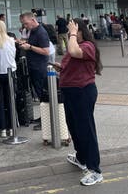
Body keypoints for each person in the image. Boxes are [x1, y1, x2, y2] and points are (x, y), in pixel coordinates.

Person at [52, 18, 103, 186]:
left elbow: (73, 51)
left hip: (82, 92)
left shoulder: (88, 46)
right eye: (69, 32)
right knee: (73, 126)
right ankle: (81, 158)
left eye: (73, 31)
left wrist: (72, 33)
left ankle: (95, 170)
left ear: (81, 31)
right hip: (70, 92)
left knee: (86, 129)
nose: (69, 34)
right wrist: (62, 68)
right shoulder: (76, 46)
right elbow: (73, 59)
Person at [18, 12, 50, 131]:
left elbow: (46, 51)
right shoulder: (32, 31)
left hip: (39, 68)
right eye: (23, 24)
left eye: (26, 23)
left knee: (43, 93)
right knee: (38, 92)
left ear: (33, 19)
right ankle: (43, 117)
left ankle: (46, 119)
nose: (25, 26)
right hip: (33, 66)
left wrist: (30, 47)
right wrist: (24, 43)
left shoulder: (41, 32)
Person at [0, 20, 16, 138]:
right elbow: (13, 56)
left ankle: (2, 129)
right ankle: (12, 128)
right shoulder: (11, 41)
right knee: (11, 101)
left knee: (0, 102)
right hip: (10, 73)